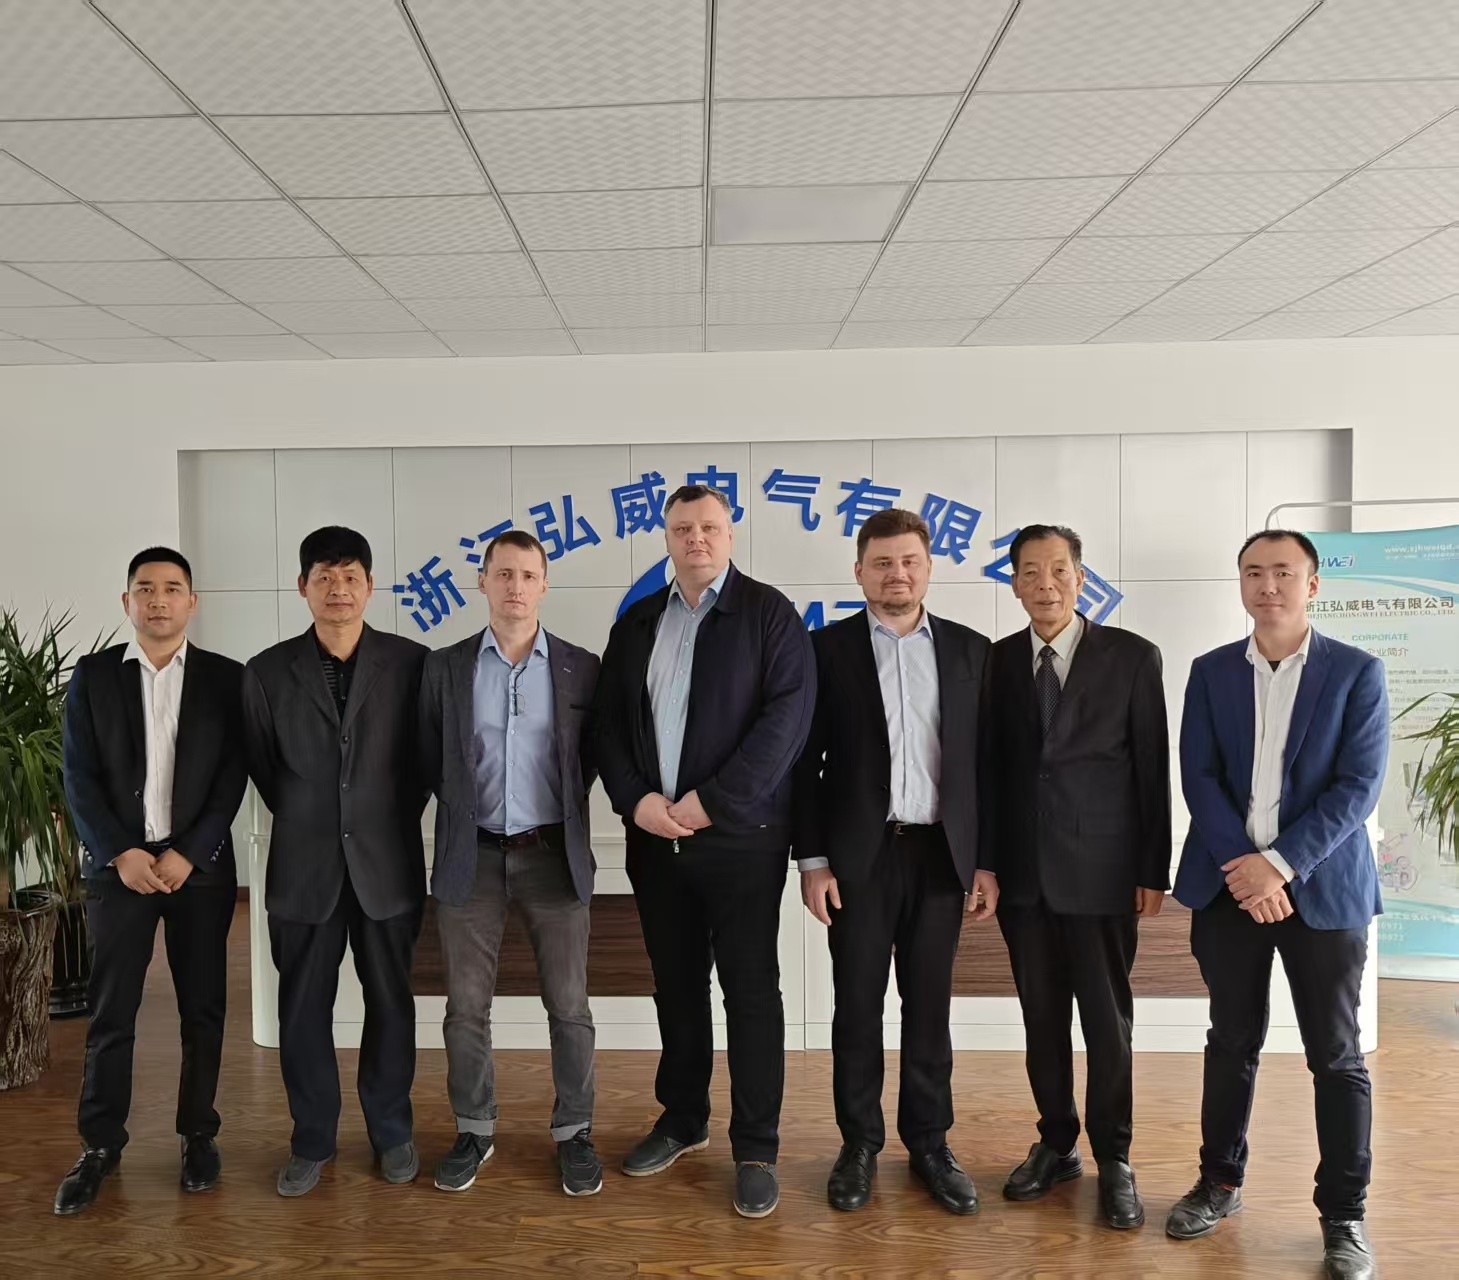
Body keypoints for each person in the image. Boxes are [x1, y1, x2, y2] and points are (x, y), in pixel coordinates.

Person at [1167, 530, 1388, 1280]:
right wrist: (1246, 869)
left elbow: (1356, 788)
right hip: (1227, 888)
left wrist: (1280, 867)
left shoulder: (1355, 672)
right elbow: (1198, 775)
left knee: (1335, 1054)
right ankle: (1218, 1182)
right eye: (1254, 572)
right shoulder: (1209, 672)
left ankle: (1344, 1215)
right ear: (1240, 583)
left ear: (1312, 584)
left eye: (1283, 573)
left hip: (1322, 891)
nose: (1268, 585)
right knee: (1230, 1041)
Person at [593, 483, 815, 1219]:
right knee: (677, 986)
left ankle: (755, 1147)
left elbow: (786, 724)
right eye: (683, 527)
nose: (696, 538)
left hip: (742, 842)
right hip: (656, 841)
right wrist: (637, 802)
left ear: (730, 534)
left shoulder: (769, 615)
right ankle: (683, 1119)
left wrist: (711, 802)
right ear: (666, 536)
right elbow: (606, 727)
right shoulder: (639, 623)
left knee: (750, 992)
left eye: (709, 527)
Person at [793, 508, 997, 1215]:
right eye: (881, 563)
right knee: (856, 1005)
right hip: (859, 858)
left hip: (941, 856)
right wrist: (813, 860)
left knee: (929, 1007)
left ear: (928, 567)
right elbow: (803, 767)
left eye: (908, 561)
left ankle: (930, 1144)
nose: (896, 574)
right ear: (859, 572)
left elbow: (987, 768)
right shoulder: (823, 651)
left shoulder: (972, 652)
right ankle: (858, 1144)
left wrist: (985, 861)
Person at [980, 523, 1171, 1230]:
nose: (1045, 585)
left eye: (1058, 570)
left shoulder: (1132, 657)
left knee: (1106, 1023)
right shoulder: (997, 661)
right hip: (1023, 879)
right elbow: (990, 773)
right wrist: (986, 863)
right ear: (1013, 584)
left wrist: (1152, 868)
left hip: (1103, 874)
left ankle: (1115, 1157)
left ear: (1081, 578)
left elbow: (1152, 768)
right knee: (1041, 1019)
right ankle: (1056, 1143)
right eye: (1029, 572)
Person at [54, 547, 247, 1215]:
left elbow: (233, 775)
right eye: (145, 588)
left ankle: (198, 1135)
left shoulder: (226, 678)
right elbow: (77, 775)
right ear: (127, 602)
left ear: (192, 601)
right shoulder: (94, 675)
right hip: (121, 871)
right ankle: (100, 1144)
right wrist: (119, 852)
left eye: (171, 588)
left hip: (198, 870)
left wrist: (190, 852)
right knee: (112, 1010)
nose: (158, 599)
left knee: (203, 1007)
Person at [242, 526, 428, 1197]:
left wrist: (376, 816)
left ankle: (392, 1132)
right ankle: (312, 1139)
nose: (338, 589)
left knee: (391, 1004)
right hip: (304, 867)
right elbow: (264, 766)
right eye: (324, 577)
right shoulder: (265, 671)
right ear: (303, 587)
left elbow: (423, 765)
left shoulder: (412, 664)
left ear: (370, 586)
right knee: (301, 1011)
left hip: (388, 864)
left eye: (350, 577)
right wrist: (318, 815)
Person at [418, 530, 602, 1197]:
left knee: (570, 1005)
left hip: (552, 855)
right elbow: (428, 757)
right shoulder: (445, 668)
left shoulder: (582, 668)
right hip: (471, 856)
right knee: (465, 1007)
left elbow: (592, 757)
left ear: (544, 584)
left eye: (527, 575)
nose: (515, 587)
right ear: (483, 582)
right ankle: (474, 1129)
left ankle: (574, 1132)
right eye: (502, 574)